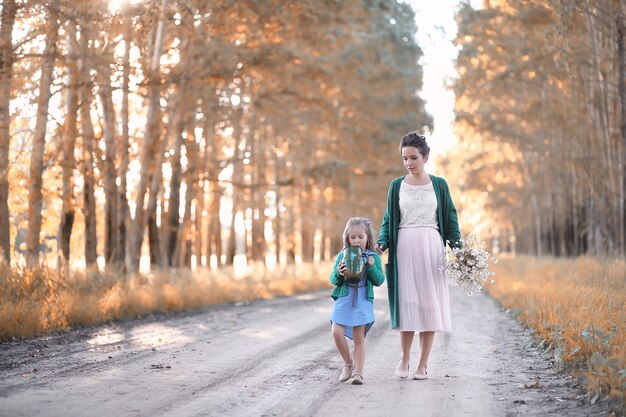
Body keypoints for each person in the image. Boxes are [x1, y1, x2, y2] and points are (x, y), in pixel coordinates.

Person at [375, 132, 461, 380]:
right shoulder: (396, 186)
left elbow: (450, 220)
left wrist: (460, 250)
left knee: (428, 305)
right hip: (404, 247)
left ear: (425, 157)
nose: (409, 163)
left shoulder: (439, 185)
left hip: (432, 248)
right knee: (408, 304)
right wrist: (382, 242)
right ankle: (404, 357)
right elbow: (388, 221)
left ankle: (423, 364)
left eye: (413, 157)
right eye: (404, 158)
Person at [329, 217, 385, 385]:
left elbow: (379, 280)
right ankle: (347, 363)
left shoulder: (373, 257)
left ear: (367, 237)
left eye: (360, 237)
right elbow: (333, 279)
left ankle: (359, 373)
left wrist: (371, 266)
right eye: (353, 237)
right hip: (344, 299)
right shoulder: (342, 255)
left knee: (358, 337)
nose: (356, 240)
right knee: (336, 332)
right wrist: (339, 273)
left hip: (362, 300)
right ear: (347, 238)